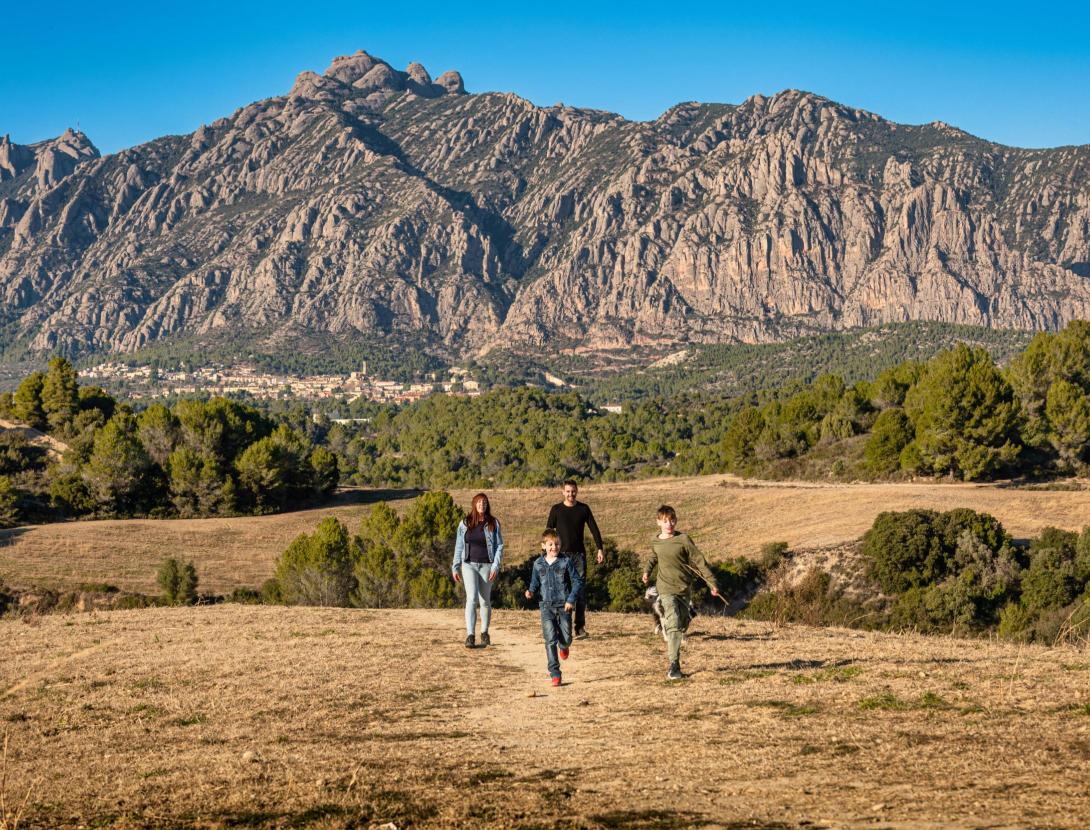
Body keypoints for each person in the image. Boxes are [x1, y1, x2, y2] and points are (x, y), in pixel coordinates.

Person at [641, 505, 720, 680]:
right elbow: (654, 556)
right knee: (674, 623)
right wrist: (647, 571)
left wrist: (712, 583)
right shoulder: (655, 540)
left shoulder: (684, 539)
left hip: (684, 589)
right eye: (665, 521)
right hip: (665, 589)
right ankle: (674, 665)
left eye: (672, 520)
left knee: (684, 622)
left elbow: (700, 561)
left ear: (675, 521)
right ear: (658, 522)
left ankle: (672, 633)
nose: (669, 524)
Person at [545, 480, 604, 640]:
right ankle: (564, 628)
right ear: (563, 492)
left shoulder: (583, 509)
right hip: (561, 556)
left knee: (579, 593)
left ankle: (580, 628)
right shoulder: (556, 509)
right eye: (568, 491)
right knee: (563, 592)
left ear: (577, 491)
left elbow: (594, 528)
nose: (571, 494)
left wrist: (600, 548)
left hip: (579, 556)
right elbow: (548, 532)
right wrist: (548, 552)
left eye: (573, 491)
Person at [525, 529, 583, 686]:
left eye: (557, 544)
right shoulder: (538, 564)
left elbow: (577, 581)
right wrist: (530, 591)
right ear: (544, 546)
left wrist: (571, 599)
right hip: (546, 607)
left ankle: (564, 647)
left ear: (561, 545)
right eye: (550, 544)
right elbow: (535, 582)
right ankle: (555, 673)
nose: (554, 547)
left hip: (564, 606)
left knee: (566, 638)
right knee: (550, 639)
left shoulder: (566, 561)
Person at [452, 492, 504, 648]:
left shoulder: (493, 523)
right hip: (469, 565)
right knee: (472, 598)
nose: (482, 505)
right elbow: (459, 546)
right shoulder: (465, 523)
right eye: (480, 502)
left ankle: (484, 632)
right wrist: (455, 566)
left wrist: (496, 565)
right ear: (474, 504)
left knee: (485, 601)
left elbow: (500, 546)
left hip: (487, 565)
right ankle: (470, 635)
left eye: (485, 503)